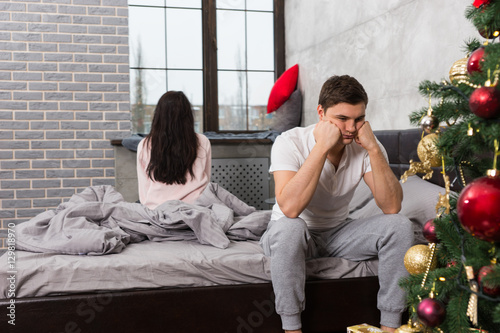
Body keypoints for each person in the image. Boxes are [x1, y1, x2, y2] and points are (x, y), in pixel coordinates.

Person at [260, 75, 414, 333]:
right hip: (293, 232)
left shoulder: (366, 146)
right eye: (342, 119)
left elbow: (391, 207)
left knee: (400, 226)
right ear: (321, 113)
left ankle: (390, 326)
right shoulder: (290, 141)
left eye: (358, 119)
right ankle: (292, 329)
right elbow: (290, 209)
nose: (352, 128)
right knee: (291, 227)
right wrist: (321, 148)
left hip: (338, 232)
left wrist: (374, 150)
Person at [136, 91, 211, 209]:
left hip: (157, 209)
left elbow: (144, 191)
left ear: (158, 115)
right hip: (195, 208)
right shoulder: (203, 141)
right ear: (188, 116)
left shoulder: (144, 144)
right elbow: (207, 180)